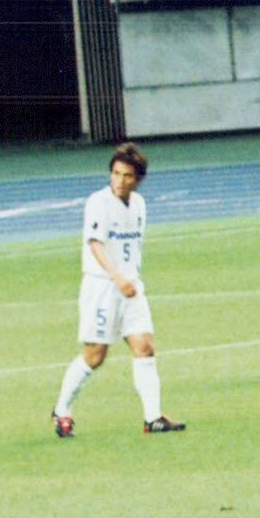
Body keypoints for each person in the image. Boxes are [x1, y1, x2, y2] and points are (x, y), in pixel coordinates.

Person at [52, 143, 187, 437]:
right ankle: (61, 410)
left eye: (127, 175)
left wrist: (129, 279)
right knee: (95, 355)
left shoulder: (139, 204)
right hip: (102, 287)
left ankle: (153, 418)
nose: (120, 181)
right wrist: (117, 277)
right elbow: (95, 244)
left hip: (131, 288)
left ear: (138, 179)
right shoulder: (98, 202)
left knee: (145, 347)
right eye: (115, 173)